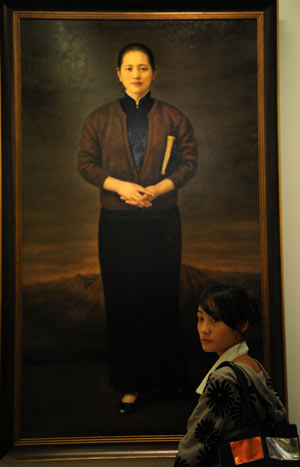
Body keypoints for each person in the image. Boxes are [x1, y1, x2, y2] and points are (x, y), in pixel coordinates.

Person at [77, 43, 198, 414]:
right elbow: (86, 164)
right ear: (118, 73)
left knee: (161, 298)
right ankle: (130, 383)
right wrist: (121, 187)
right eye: (129, 68)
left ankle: (168, 379)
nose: (136, 74)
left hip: (162, 221)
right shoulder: (98, 119)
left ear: (153, 73)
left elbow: (189, 161)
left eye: (143, 67)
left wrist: (159, 189)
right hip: (117, 222)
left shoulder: (174, 117)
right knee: (124, 301)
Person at [174, 284, 286, 467]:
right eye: (200, 319)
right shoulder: (253, 365)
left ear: (242, 325)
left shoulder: (224, 378)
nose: (204, 329)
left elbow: (195, 446)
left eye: (215, 320)